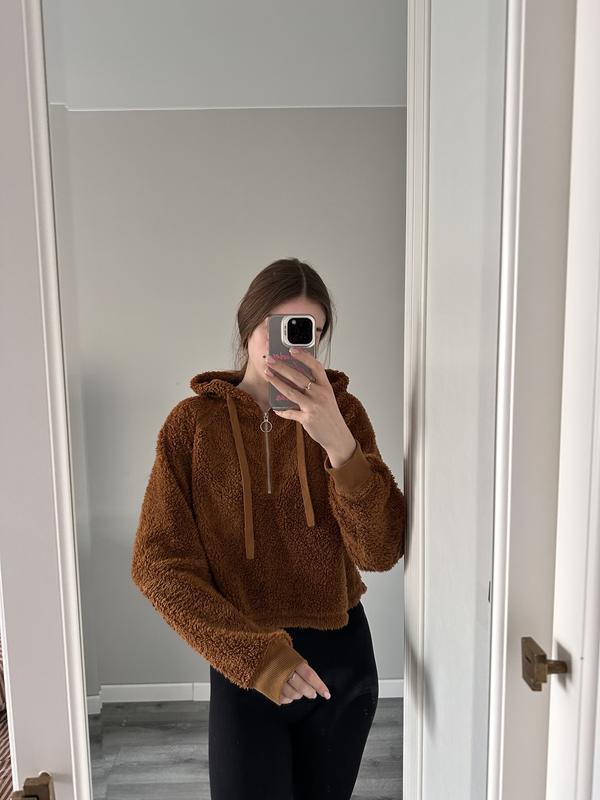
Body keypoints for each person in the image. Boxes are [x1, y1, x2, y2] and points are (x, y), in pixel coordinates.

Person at [130, 257, 406, 799]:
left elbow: (378, 551)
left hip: (341, 662)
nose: (293, 345)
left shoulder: (343, 413)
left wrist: (339, 443)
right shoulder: (191, 426)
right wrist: (257, 660)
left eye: (310, 332)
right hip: (247, 665)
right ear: (248, 326)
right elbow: (157, 565)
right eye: (280, 327)